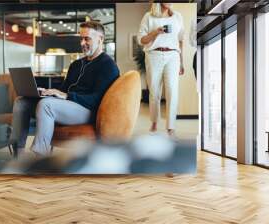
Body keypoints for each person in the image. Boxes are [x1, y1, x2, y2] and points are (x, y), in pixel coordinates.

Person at [11, 21, 119, 156]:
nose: (82, 43)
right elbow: (64, 88)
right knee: (22, 102)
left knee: (46, 105)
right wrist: (47, 92)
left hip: (87, 111)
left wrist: (67, 96)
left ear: (100, 39)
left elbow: (96, 100)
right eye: (81, 39)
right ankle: (18, 154)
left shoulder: (108, 66)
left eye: (87, 39)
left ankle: (40, 156)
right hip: (68, 106)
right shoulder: (76, 64)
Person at [137, 3, 185, 136]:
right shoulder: (149, 16)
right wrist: (156, 32)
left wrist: (181, 62)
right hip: (153, 55)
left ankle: (171, 126)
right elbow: (141, 40)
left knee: (172, 90)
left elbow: (180, 40)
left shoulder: (177, 17)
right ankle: (154, 121)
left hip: (173, 56)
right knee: (154, 92)